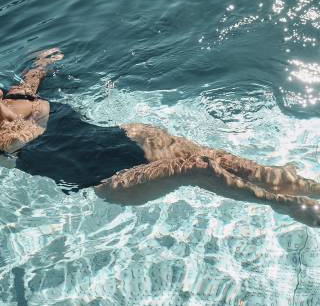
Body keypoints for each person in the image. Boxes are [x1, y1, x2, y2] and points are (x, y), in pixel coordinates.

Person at [1, 48, 320, 226]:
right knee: (199, 167)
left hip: (125, 138)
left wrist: (43, 61)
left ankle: (302, 185)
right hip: (109, 179)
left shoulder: (21, 95)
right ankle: (287, 205)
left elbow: (34, 72)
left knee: (222, 160)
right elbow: (17, 142)